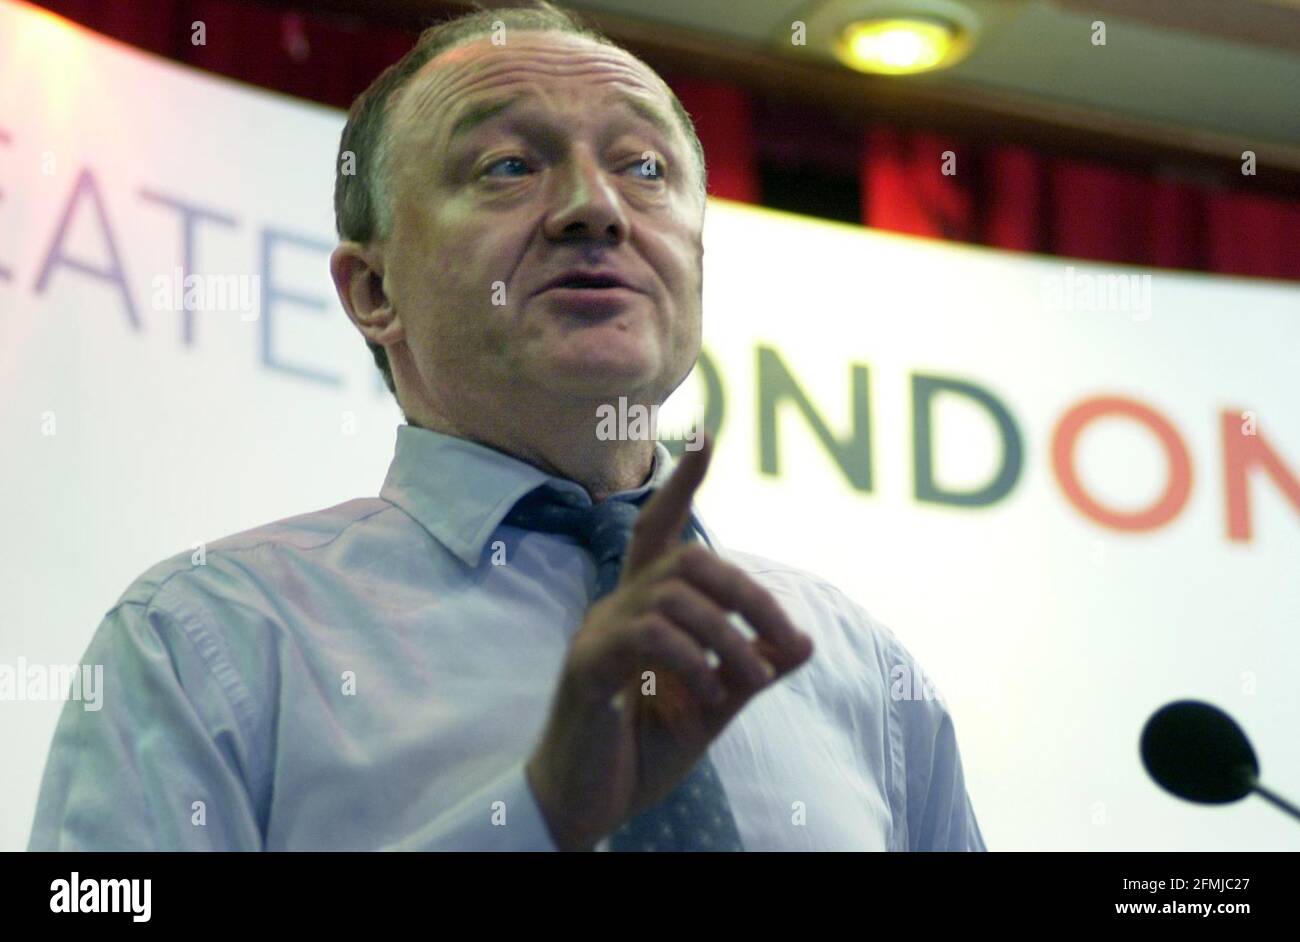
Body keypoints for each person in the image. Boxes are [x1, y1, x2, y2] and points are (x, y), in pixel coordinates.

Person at [28, 1, 986, 852]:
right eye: (508, 165)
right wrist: (539, 820)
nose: (594, 210)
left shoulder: (861, 673)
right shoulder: (207, 641)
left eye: (644, 168)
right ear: (373, 290)